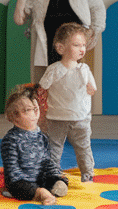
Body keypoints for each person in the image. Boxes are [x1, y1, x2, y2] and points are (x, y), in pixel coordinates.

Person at [38, 23, 97, 183]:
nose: (81, 49)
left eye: (83, 45)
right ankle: (52, 173)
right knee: (54, 147)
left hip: (80, 117)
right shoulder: (54, 69)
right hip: (56, 117)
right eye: (76, 45)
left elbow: (92, 90)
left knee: (83, 147)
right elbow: (42, 88)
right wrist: (41, 112)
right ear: (61, 48)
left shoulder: (84, 69)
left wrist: (90, 87)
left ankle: (87, 173)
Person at [0, 85, 69, 204]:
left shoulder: (42, 137)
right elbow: (13, 172)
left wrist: (56, 176)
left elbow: (48, 162)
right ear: (14, 117)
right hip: (20, 182)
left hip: (40, 179)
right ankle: (41, 193)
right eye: (28, 110)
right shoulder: (10, 140)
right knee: (18, 186)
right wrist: (34, 188)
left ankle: (52, 187)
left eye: (36, 108)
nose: (36, 112)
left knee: (59, 178)